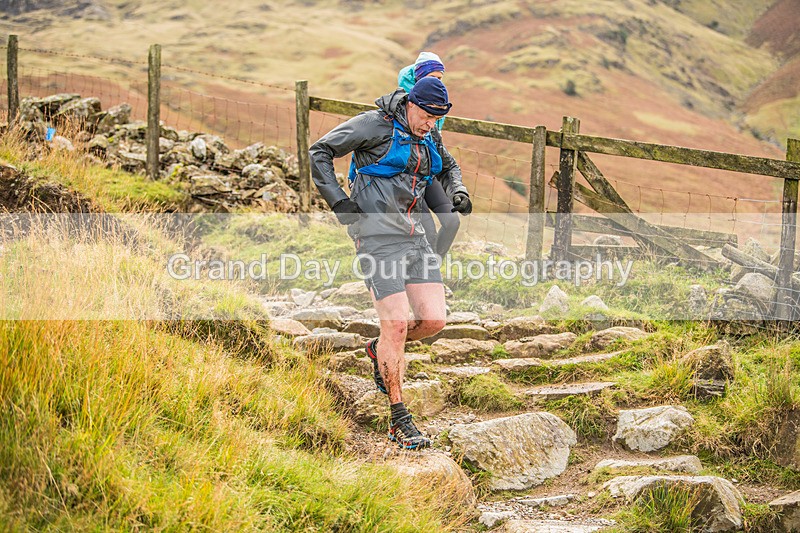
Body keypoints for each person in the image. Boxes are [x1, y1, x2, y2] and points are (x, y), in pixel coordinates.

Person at [310, 77, 472, 450]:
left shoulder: (430, 134)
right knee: (397, 324)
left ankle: (379, 349)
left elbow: (448, 168)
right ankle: (400, 420)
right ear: (413, 104)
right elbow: (319, 151)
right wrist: (339, 202)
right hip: (377, 237)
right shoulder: (374, 124)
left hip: (416, 236)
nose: (432, 125)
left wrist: (457, 191)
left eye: (437, 119)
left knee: (433, 320)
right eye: (428, 116)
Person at [396, 52, 467, 258]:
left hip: (428, 173)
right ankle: (426, 275)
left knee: (452, 222)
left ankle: (434, 266)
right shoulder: (404, 104)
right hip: (407, 180)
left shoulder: (437, 102)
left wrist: (458, 191)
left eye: (440, 79)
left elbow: (444, 156)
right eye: (432, 78)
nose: (438, 83)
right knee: (427, 232)